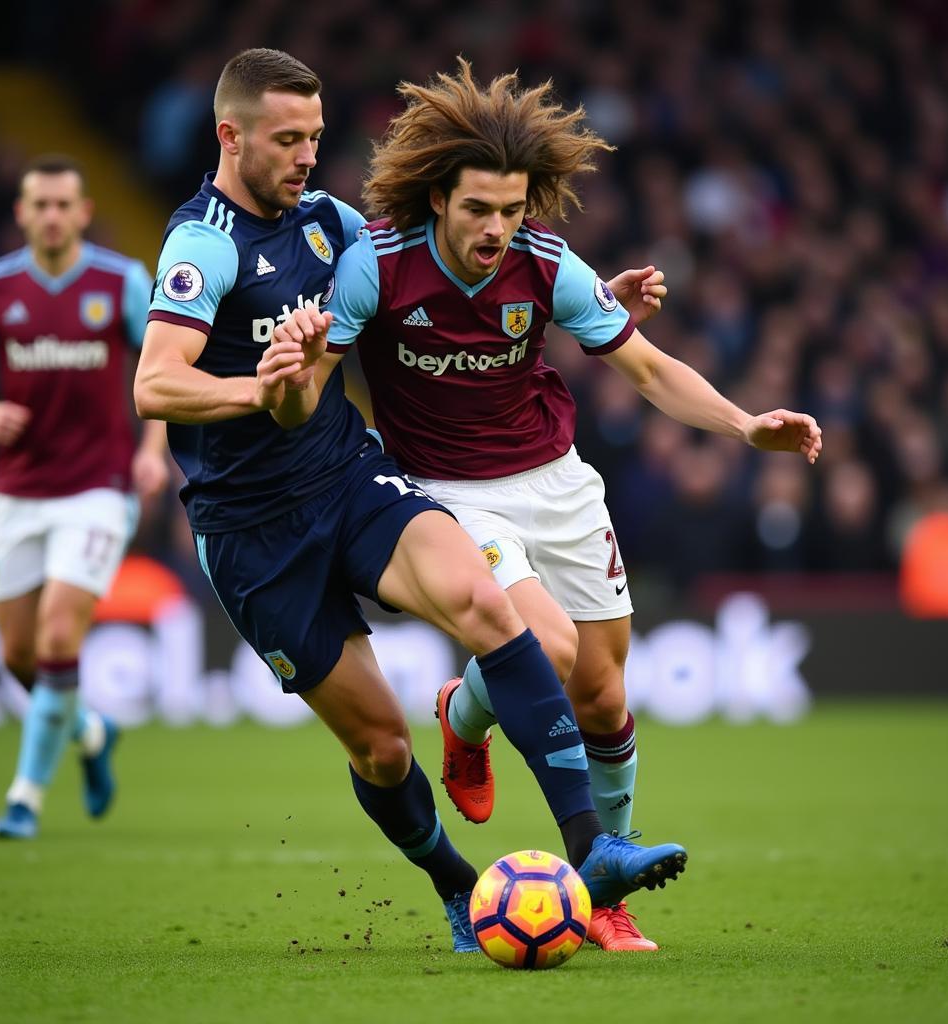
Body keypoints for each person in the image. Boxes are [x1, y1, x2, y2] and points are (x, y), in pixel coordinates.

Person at [133, 47, 685, 953]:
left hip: (349, 477)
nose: (307, 156)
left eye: (314, 137)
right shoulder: (202, 244)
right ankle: (458, 889)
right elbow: (156, 385)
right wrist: (262, 390)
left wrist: (578, 300)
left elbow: (428, 267)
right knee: (383, 748)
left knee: (486, 606)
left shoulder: (330, 223)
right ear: (230, 136)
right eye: (286, 140)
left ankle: (594, 850)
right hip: (251, 530)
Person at [322, 60, 823, 950]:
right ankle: (591, 861)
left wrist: (747, 426)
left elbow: (649, 369)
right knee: (546, 649)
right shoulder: (377, 267)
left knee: (601, 689)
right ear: (437, 198)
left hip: (554, 482)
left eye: (511, 210)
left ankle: (472, 723)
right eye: (478, 209)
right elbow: (318, 383)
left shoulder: (544, 263)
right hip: (443, 496)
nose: (496, 229)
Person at [0, 154, 170, 839]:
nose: (50, 215)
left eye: (62, 204)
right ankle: (92, 731)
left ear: (82, 211)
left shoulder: (121, 282)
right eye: (38, 204)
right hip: (18, 491)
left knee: (54, 637)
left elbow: (158, 368)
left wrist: (151, 451)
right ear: (21, 213)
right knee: (19, 655)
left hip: (98, 489)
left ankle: (24, 798)